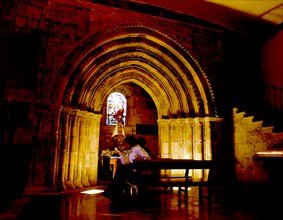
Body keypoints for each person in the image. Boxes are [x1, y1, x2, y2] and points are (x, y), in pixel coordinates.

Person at [103, 135, 151, 210]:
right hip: (130, 171)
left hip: (137, 173)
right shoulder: (130, 150)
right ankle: (115, 196)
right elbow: (125, 162)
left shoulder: (138, 149)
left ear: (130, 143)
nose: (125, 145)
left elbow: (147, 158)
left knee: (120, 171)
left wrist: (139, 161)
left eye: (126, 143)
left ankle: (113, 193)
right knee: (120, 171)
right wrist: (121, 152)